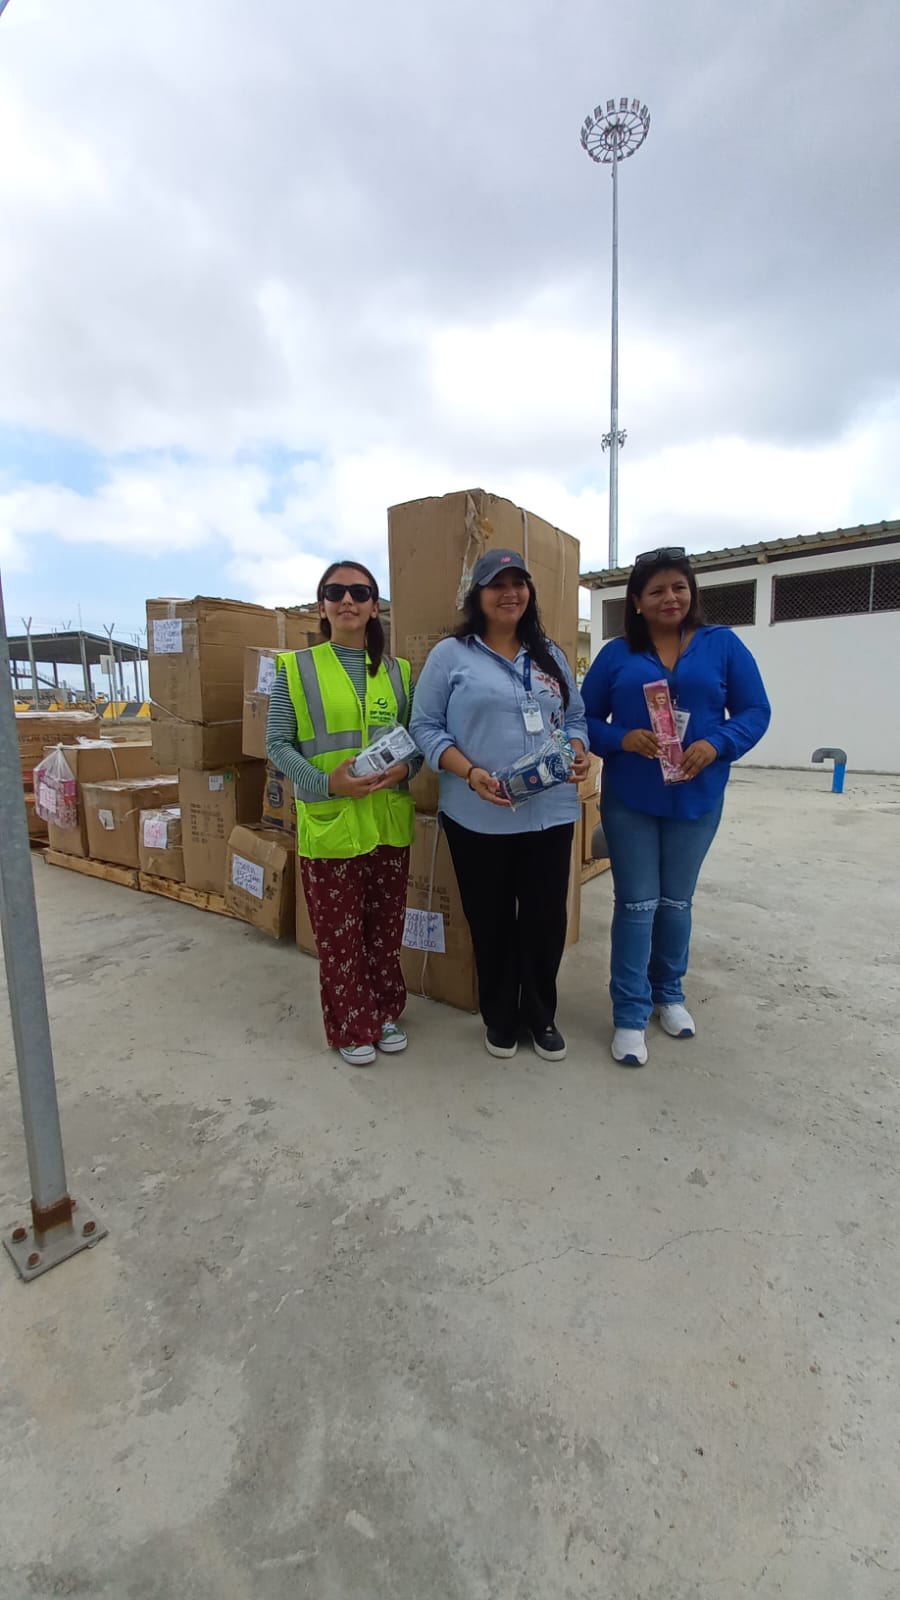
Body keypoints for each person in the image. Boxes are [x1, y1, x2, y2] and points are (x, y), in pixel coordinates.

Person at [581, 546, 771, 1067]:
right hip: (632, 799)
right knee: (636, 904)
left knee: (676, 903)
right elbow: (583, 719)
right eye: (657, 590)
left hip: (697, 796)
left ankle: (669, 994)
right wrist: (621, 739)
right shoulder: (617, 654)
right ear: (636, 602)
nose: (671, 597)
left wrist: (719, 742)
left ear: (692, 593)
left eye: (679, 587)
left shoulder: (722, 644)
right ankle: (629, 1013)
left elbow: (755, 710)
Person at [410, 548, 590, 1062]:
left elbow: (575, 719)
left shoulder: (549, 654)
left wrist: (578, 751)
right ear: (478, 595)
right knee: (490, 923)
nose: (510, 593)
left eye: (519, 583)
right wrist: (469, 773)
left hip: (550, 814)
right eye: (497, 584)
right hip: (477, 817)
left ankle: (541, 1015)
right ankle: (501, 1017)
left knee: (544, 922)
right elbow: (425, 726)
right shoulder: (451, 655)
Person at [266, 561, 420, 1067]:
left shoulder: (398, 672)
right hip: (330, 822)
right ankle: (352, 1024)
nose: (347, 600)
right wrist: (326, 782)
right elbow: (277, 745)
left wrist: (405, 770)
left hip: (386, 822)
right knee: (339, 935)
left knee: (384, 930)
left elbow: (414, 744)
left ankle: (384, 1012)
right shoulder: (296, 669)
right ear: (322, 606)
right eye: (335, 592)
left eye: (359, 591)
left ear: (375, 606)